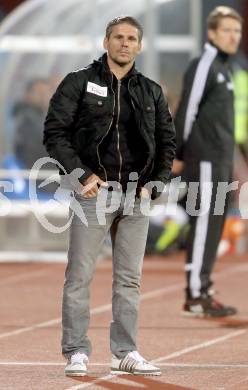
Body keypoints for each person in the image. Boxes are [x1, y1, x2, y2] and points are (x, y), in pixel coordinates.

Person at [44, 16, 175, 376]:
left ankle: (124, 352)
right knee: (79, 275)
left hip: (137, 195)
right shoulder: (78, 83)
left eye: (132, 38)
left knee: (130, 279)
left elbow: (167, 143)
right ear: (106, 42)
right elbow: (55, 133)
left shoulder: (150, 90)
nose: (125, 43)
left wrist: (156, 184)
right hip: (94, 194)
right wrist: (81, 175)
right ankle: (76, 352)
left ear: (139, 46)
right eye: (118, 37)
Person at [174, 6, 242, 317]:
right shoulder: (204, 64)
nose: (234, 36)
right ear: (212, 33)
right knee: (203, 220)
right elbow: (187, 110)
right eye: (227, 30)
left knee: (214, 223)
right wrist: (176, 153)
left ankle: (202, 285)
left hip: (219, 160)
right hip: (202, 160)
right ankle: (196, 293)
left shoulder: (225, 68)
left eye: (237, 31)